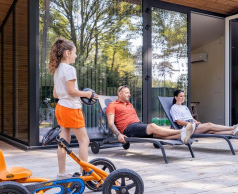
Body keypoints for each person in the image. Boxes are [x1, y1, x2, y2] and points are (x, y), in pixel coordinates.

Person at [49, 37, 95, 177]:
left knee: (64, 141)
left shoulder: (57, 70)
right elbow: (71, 91)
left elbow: (56, 94)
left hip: (61, 107)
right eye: (74, 53)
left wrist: (72, 95)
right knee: (84, 140)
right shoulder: (69, 69)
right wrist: (87, 94)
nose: (76, 56)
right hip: (71, 108)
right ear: (67, 53)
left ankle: (62, 173)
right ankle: (84, 174)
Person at [106, 85, 194, 145]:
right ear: (119, 94)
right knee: (152, 126)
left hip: (137, 125)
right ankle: (182, 131)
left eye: (129, 93)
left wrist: (141, 125)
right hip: (127, 129)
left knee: (158, 134)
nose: (129, 95)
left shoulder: (130, 104)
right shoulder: (112, 105)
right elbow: (110, 123)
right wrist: (119, 135)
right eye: (127, 93)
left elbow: (135, 119)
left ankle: (182, 136)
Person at [170, 89, 238, 136]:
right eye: (181, 96)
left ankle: (233, 132)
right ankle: (234, 127)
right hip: (186, 127)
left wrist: (196, 122)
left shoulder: (184, 107)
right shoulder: (174, 108)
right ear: (176, 97)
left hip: (192, 124)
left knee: (211, 131)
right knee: (209, 125)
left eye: (184, 96)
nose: (183, 98)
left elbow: (190, 118)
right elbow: (179, 122)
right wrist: (192, 124)